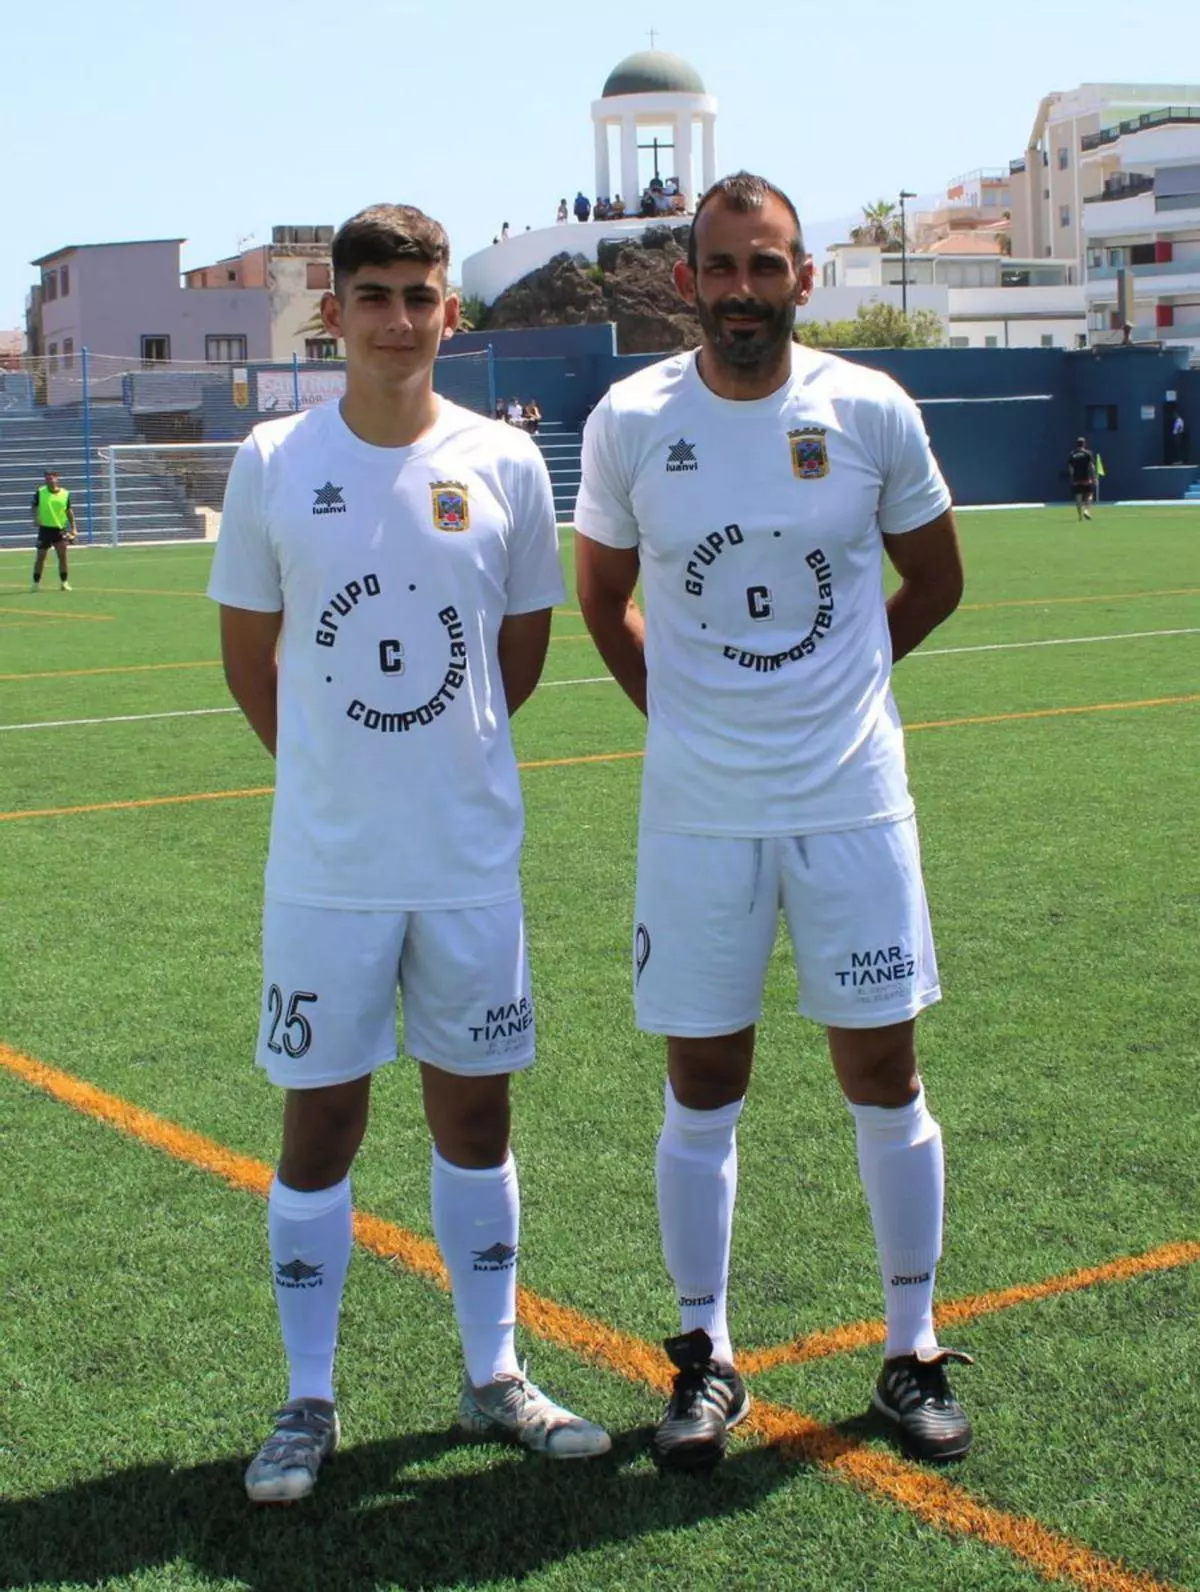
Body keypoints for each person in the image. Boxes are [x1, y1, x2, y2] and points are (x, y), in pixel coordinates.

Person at [208, 201, 611, 1505]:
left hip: (465, 859)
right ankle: (308, 1398)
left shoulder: (502, 462)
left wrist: (432, 763)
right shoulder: (275, 459)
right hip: (327, 867)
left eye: (418, 294)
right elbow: (249, 660)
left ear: (452, 310)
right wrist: (338, 771)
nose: (396, 317)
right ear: (335, 312)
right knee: (321, 1117)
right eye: (372, 294)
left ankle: (492, 1374)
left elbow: (523, 655)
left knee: (476, 1114)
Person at [574, 171, 971, 1472]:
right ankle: (706, 1358)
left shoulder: (869, 409)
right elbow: (602, 601)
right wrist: (685, 717)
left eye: (770, 265)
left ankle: (911, 1350)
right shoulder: (631, 420)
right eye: (724, 266)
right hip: (699, 816)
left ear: (805, 279)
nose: (746, 289)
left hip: (854, 802)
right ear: (687, 281)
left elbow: (937, 580)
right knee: (704, 1085)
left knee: (884, 1074)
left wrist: (842, 692)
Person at [30, 468, 75, 590]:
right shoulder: (40, 492)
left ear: (57, 479)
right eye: (47, 478)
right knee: (40, 557)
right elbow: (34, 506)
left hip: (59, 529)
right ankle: (35, 583)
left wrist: (74, 528)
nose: (49, 480)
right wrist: (35, 518)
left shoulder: (65, 493)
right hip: (45, 530)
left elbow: (69, 511)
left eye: (51, 478)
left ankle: (64, 582)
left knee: (62, 556)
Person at [1067, 436, 1096, 519]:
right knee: (1089, 494)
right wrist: (1094, 477)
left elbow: (1070, 468)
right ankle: (1086, 510)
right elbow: (1091, 466)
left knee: (1078, 497)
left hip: (1076, 479)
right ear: (1084, 444)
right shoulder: (1088, 453)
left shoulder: (1072, 454)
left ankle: (1080, 516)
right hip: (1087, 478)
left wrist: (1072, 477)